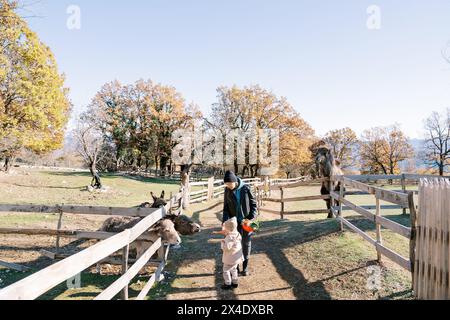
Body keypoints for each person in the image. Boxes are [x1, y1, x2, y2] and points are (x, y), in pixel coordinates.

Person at [222, 170, 257, 276]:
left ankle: (245, 268)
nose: (228, 186)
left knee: (246, 244)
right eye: (226, 184)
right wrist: (224, 223)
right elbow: (225, 208)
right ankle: (235, 267)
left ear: (235, 182)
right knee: (234, 245)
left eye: (229, 184)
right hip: (234, 223)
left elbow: (253, 204)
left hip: (246, 222)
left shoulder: (246, 189)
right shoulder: (227, 190)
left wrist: (250, 218)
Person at [217, 217, 244, 290]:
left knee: (226, 270)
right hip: (236, 257)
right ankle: (235, 282)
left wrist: (222, 243)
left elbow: (226, 248)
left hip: (230, 258)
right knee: (234, 269)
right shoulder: (237, 234)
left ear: (228, 229)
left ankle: (227, 283)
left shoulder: (229, 237)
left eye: (225, 228)